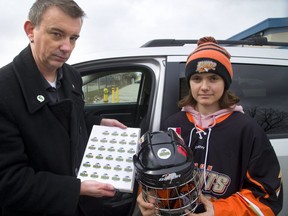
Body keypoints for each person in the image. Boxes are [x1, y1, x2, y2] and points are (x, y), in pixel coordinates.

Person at [0, 0, 127, 215]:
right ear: (31, 30)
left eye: (73, 38)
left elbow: (69, 118)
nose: (67, 47)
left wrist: (97, 123)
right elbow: (8, 181)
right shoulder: (4, 90)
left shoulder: (71, 76)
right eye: (57, 34)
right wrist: (76, 188)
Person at [137, 36, 283, 215]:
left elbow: (268, 195)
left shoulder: (247, 130)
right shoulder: (173, 125)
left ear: (225, 83)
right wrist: (147, 198)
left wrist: (218, 211)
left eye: (213, 78)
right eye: (197, 78)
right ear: (189, 82)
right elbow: (156, 173)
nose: (204, 86)